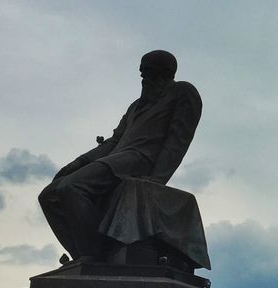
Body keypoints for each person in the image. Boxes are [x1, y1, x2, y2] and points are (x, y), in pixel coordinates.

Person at [39, 50, 202, 261]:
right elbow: (113, 142)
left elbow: (178, 139)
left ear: (166, 73)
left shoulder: (182, 92)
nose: (144, 78)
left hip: (140, 160)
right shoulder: (135, 106)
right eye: (142, 72)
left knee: (72, 186)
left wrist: (158, 178)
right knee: (49, 195)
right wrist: (78, 162)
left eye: (149, 72)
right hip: (116, 158)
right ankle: (81, 254)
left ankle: (94, 254)